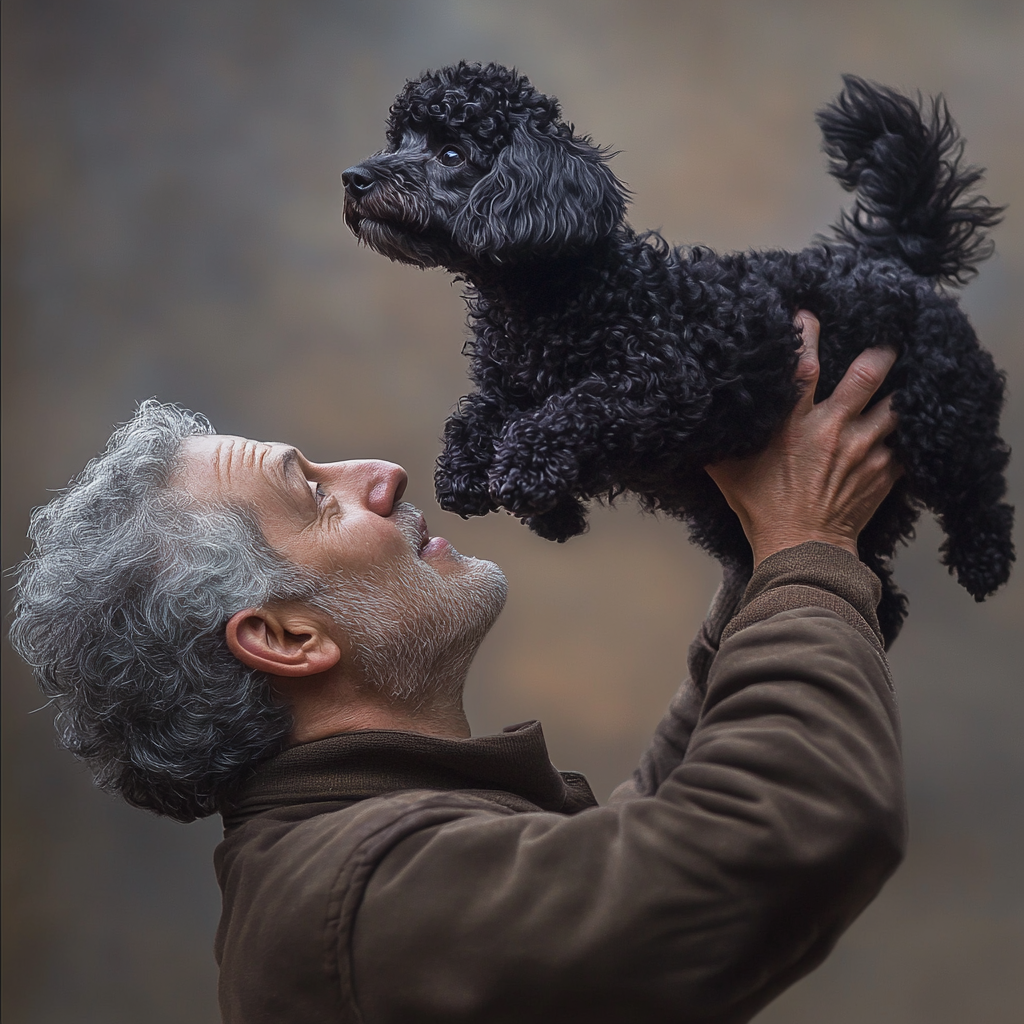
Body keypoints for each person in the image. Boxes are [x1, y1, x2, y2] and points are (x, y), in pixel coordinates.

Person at [10, 314, 907, 1023]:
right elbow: (768, 837)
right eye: (315, 495)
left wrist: (763, 556)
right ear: (284, 639)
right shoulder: (361, 899)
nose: (383, 473)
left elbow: (635, 850)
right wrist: (806, 548)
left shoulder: (353, 861)